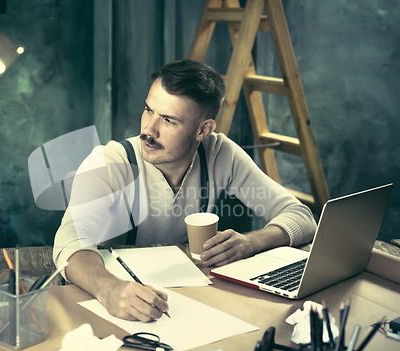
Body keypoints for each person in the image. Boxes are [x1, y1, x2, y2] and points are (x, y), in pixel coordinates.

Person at [53, 60, 317, 323]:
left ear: (203, 130)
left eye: (168, 120)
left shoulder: (220, 154)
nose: (148, 130)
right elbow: (70, 241)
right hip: (116, 303)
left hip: (188, 304)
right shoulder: (110, 161)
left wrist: (251, 242)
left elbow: (301, 216)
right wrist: (108, 289)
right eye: (148, 110)